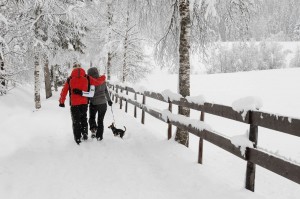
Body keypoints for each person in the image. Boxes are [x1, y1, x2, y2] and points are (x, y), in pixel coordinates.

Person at [59, 63, 106, 145]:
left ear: (73, 69)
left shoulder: (70, 79)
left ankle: (77, 138)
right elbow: (97, 82)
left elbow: (64, 90)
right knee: (84, 117)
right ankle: (85, 133)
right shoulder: (87, 77)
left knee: (76, 120)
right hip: (84, 103)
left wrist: (61, 102)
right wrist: (103, 77)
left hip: (74, 103)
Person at [73, 67, 112, 141]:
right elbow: (106, 91)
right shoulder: (103, 80)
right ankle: (99, 136)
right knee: (100, 120)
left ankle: (93, 130)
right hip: (103, 104)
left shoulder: (92, 82)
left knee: (92, 117)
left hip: (94, 103)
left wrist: (80, 93)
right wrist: (109, 100)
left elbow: (90, 94)